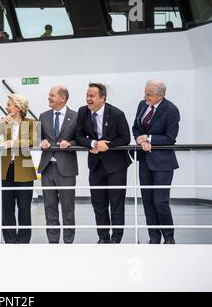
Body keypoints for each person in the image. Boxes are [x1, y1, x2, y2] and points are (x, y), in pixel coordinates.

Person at [75, 83, 131, 244]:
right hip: (96, 165)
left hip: (116, 166)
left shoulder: (117, 114)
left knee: (116, 204)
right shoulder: (82, 112)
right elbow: (78, 135)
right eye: (87, 95)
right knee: (98, 204)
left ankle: (116, 239)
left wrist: (106, 146)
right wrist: (93, 143)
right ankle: (103, 237)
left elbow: (125, 138)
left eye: (92, 96)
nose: (88, 98)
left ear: (103, 98)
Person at [132, 79, 180, 244]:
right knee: (147, 201)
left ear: (160, 95)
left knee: (160, 201)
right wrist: (141, 140)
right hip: (144, 161)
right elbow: (136, 127)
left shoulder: (171, 110)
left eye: (149, 94)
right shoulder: (142, 104)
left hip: (163, 163)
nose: (145, 96)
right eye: (145, 92)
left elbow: (170, 138)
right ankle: (154, 238)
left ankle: (169, 237)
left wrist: (149, 138)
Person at [0, 94, 37, 244]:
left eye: (9, 104)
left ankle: (23, 241)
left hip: (24, 169)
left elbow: (33, 141)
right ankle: (9, 240)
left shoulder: (31, 123)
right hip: (6, 169)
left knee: (24, 208)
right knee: (7, 208)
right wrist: (0, 122)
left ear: (18, 107)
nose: (6, 107)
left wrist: (14, 143)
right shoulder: (6, 122)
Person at [39, 85, 78, 244]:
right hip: (47, 167)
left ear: (62, 98)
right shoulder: (43, 116)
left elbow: (80, 138)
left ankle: (68, 242)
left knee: (68, 207)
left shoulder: (76, 116)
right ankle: (53, 241)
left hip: (67, 169)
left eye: (52, 95)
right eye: (49, 95)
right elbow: (37, 138)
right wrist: (41, 142)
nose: (49, 98)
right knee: (49, 206)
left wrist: (70, 143)